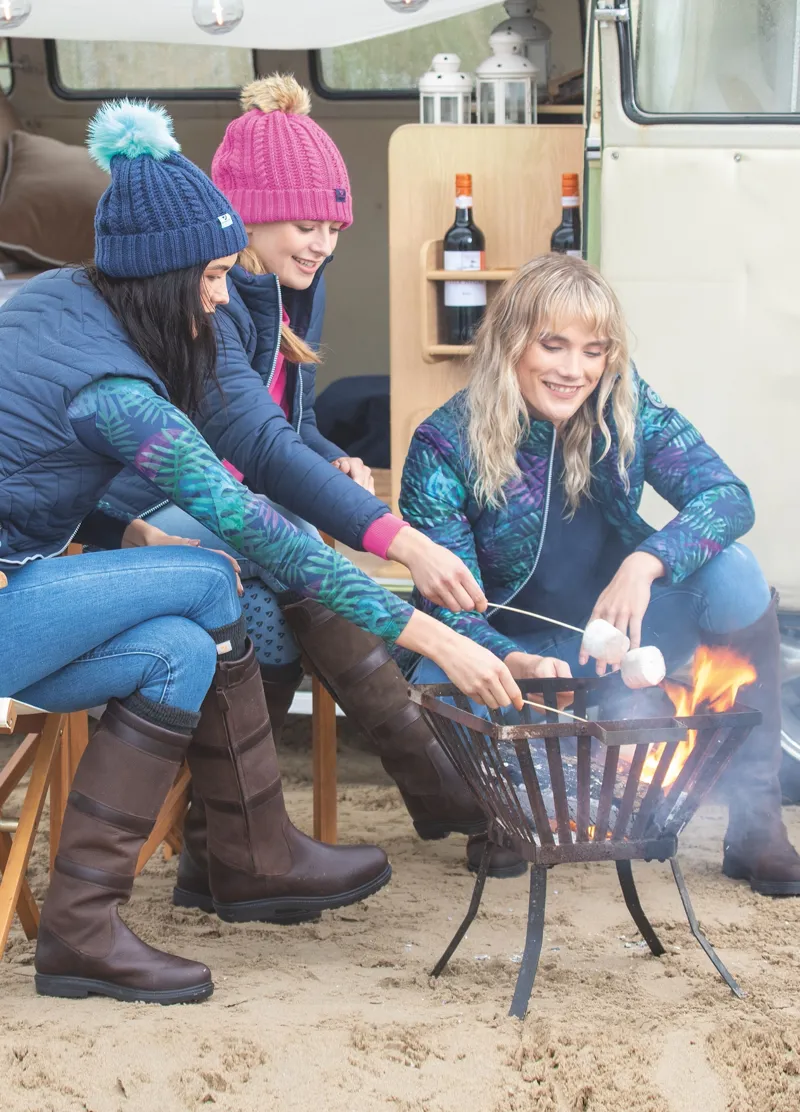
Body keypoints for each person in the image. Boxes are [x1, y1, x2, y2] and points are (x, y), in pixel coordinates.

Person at [0, 99, 526, 1005]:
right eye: (211, 276)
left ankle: (85, 933)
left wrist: (118, 531)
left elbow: (27, 455)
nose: (221, 294)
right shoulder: (119, 388)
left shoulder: (66, 300)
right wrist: (435, 637)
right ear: (166, 279)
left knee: (177, 646)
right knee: (214, 572)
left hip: (27, 581)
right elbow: (248, 517)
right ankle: (252, 849)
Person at [102, 75, 523, 884]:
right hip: (146, 512)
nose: (322, 243)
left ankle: (222, 849)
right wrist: (395, 538)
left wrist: (326, 454)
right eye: (304, 223)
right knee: (277, 537)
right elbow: (249, 446)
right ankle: (439, 784)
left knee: (268, 602)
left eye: (333, 226)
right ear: (239, 212)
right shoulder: (208, 299)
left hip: (232, 519)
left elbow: (283, 426)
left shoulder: (288, 291)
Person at [399, 252, 800, 898]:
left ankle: (756, 823)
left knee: (735, 572)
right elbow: (449, 610)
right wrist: (511, 659)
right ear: (510, 344)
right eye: (552, 345)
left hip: (619, 639)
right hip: (505, 658)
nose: (574, 370)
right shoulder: (444, 445)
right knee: (432, 671)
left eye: (594, 350)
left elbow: (728, 497)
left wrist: (647, 563)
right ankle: (505, 810)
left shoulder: (625, 404)